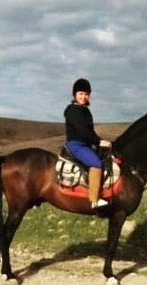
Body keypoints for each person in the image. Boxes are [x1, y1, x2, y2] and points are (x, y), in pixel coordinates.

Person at [64, 78, 112, 208]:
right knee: (96, 164)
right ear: (74, 94)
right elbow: (82, 130)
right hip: (75, 144)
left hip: (85, 145)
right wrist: (99, 141)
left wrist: (99, 141)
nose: (83, 97)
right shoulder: (72, 110)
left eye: (86, 94)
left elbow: (90, 131)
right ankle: (94, 200)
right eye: (80, 93)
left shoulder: (86, 111)